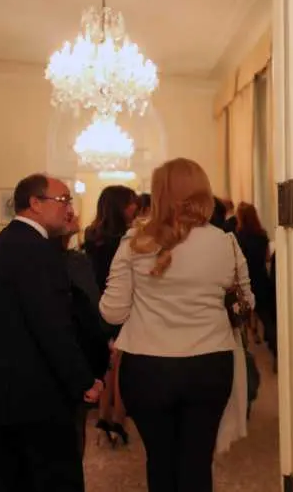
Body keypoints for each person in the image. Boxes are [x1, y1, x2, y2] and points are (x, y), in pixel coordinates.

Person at [100, 158, 254, 492]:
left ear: (159, 194)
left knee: (160, 460)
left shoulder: (134, 242)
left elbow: (112, 313)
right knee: (197, 461)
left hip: (147, 366)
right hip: (210, 363)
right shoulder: (225, 242)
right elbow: (247, 303)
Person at [0, 174, 103, 492]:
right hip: (38, 393)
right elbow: (52, 327)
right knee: (52, 478)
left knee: (8, 475)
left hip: (1, 390)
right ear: (35, 203)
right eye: (63, 200)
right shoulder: (36, 252)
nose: (69, 209)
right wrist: (83, 379)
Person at [83, 185, 137, 446]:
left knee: (108, 365)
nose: (135, 207)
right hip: (123, 304)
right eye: (131, 202)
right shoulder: (127, 239)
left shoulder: (92, 235)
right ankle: (118, 421)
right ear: (122, 206)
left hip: (98, 305)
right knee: (123, 366)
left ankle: (103, 419)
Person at [55, 214, 110, 458]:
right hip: (72, 356)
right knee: (71, 441)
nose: (73, 212)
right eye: (64, 202)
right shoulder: (75, 263)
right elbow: (92, 312)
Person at [235, 203, 274, 352]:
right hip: (261, 279)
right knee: (266, 316)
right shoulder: (262, 235)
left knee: (244, 313)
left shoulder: (238, 237)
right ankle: (275, 347)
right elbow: (267, 258)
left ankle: (248, 341)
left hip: (246, 279)